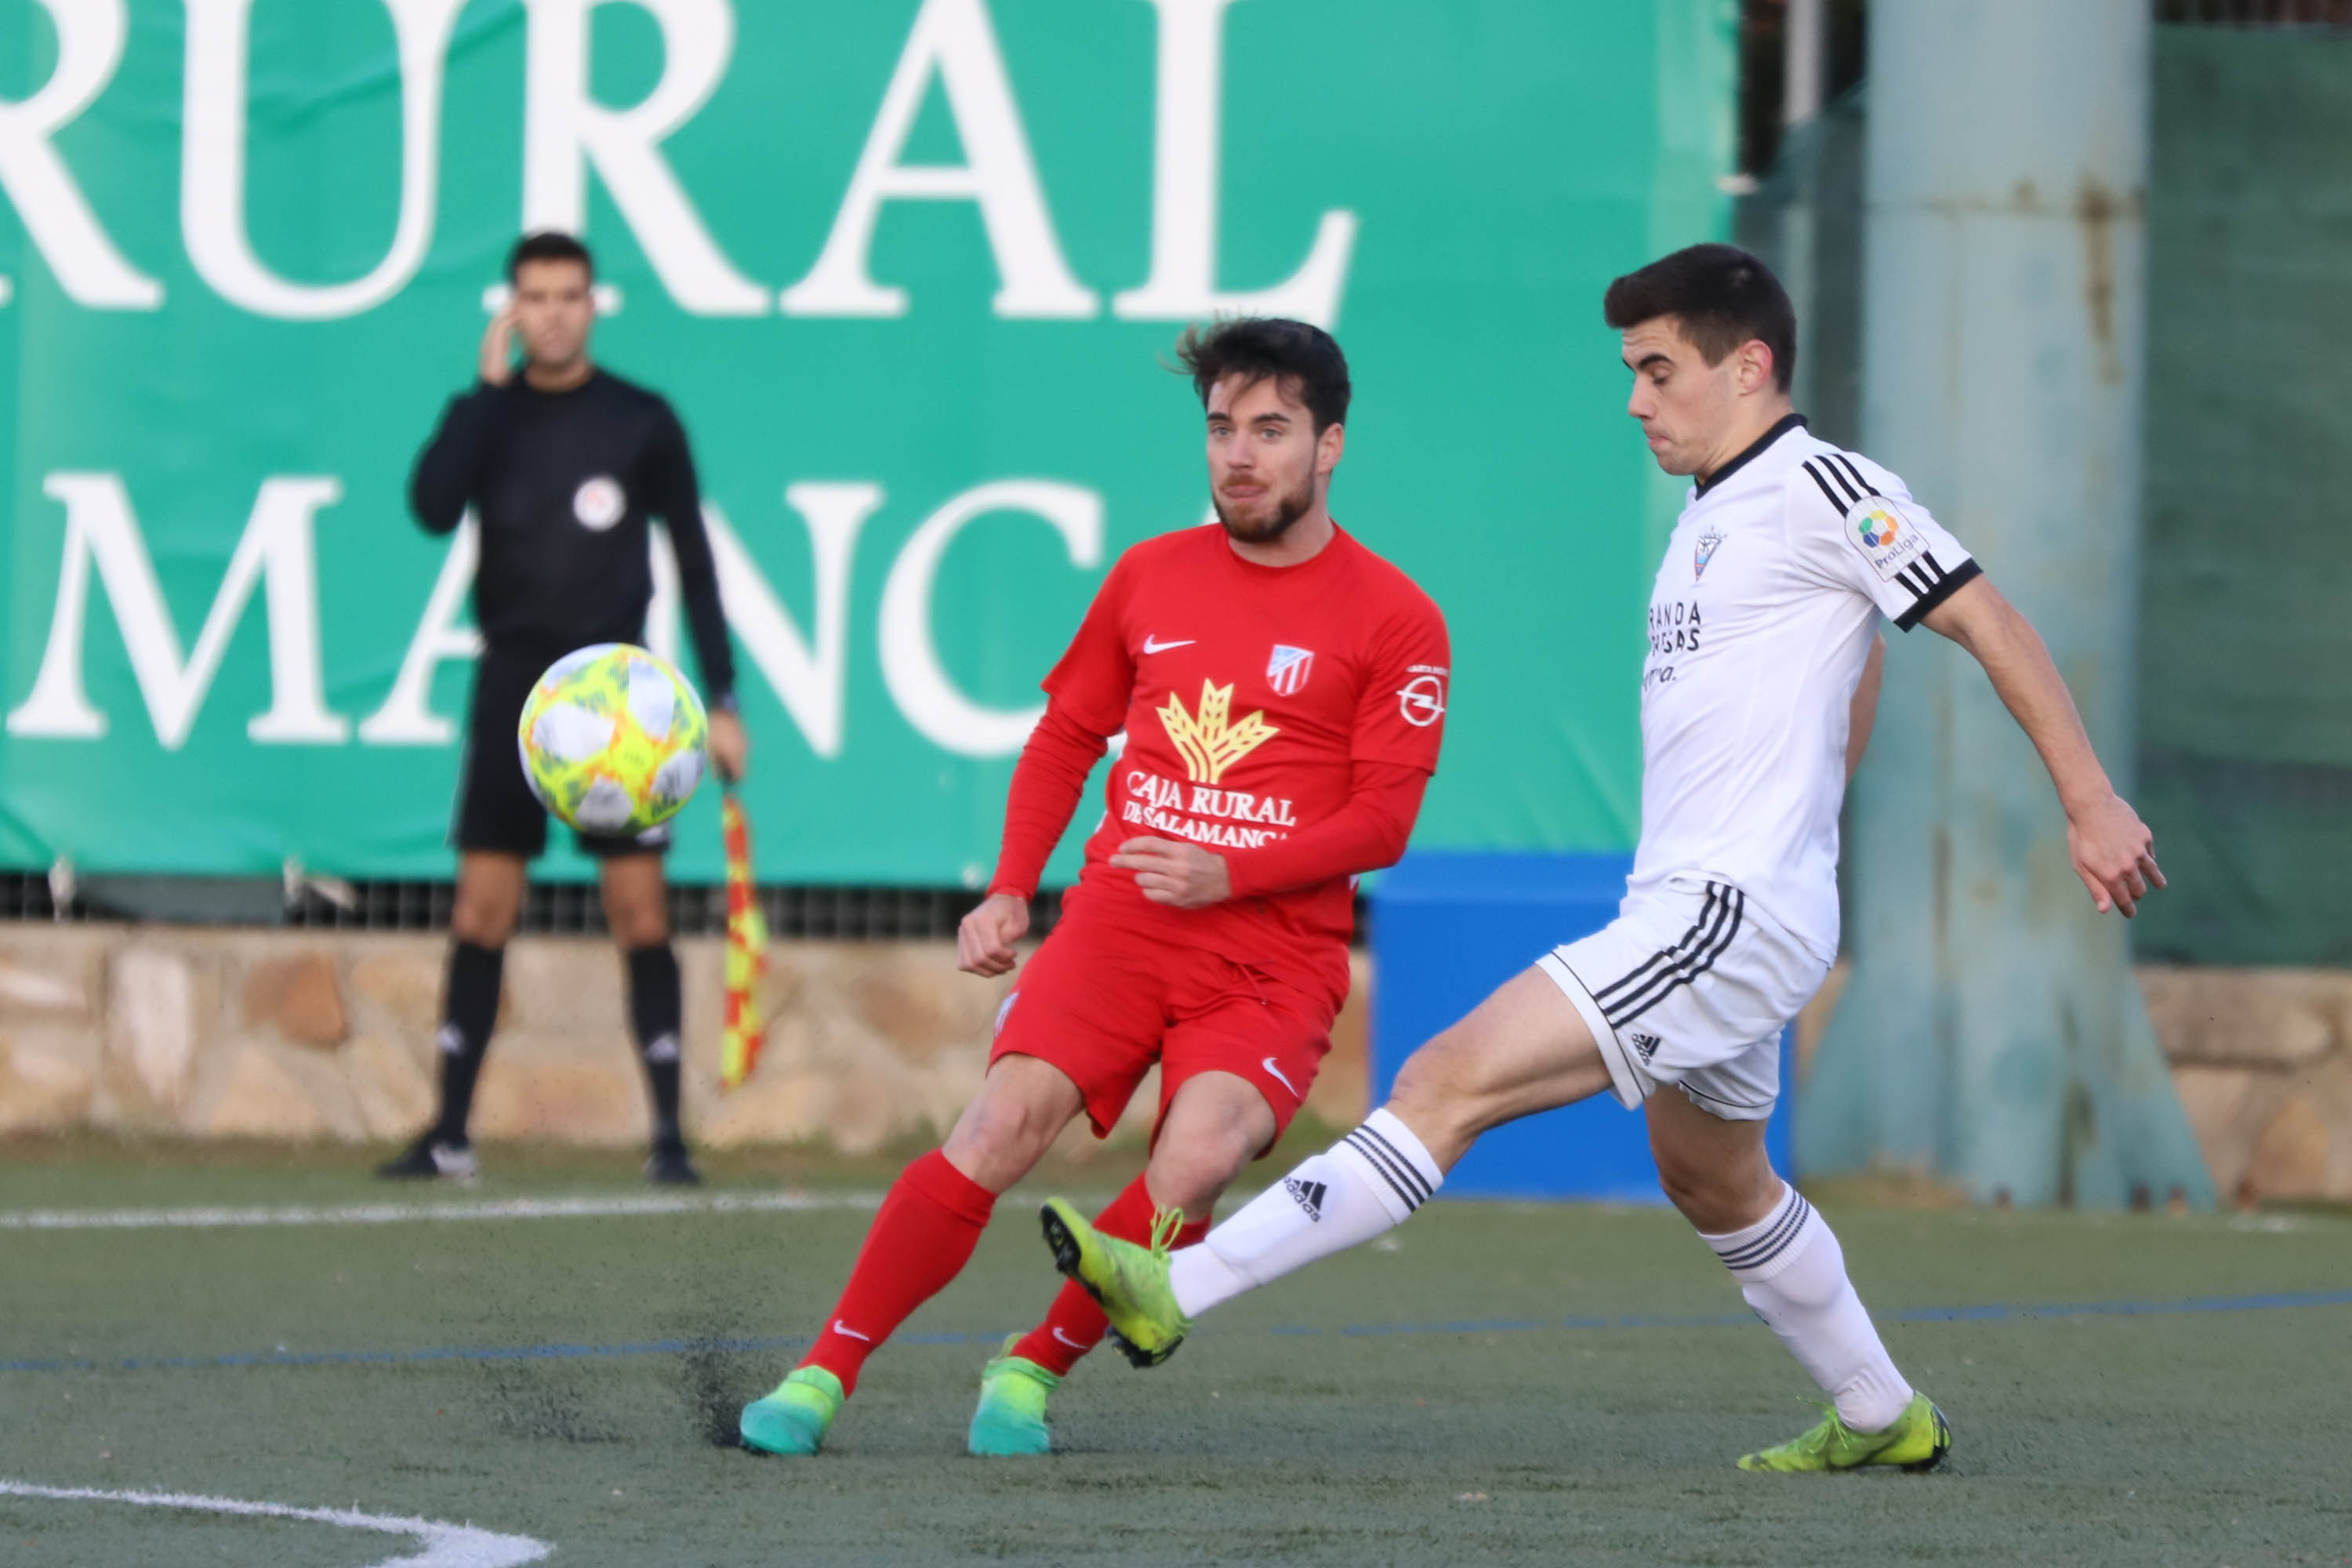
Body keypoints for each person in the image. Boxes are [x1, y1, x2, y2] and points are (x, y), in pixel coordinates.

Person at [1041, 244, 2166, 1474]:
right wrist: (1808, 820)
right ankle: (1880, 1413)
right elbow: (1863, 653)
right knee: (1713, 1180)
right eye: (1632, 372)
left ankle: (1174, 1288)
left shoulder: (1822, 482)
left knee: (1446, 1080)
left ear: (1750, 367)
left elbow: (1983, 616)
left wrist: (2090, 800)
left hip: (1725, 911)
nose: (1636, 400)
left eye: (1658, 371)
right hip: (1721, 901)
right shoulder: (1715, 510)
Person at [737, 318, 1450, 1457]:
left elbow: (1384, 824)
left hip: (1273, 958)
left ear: (1331, 445)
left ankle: (1030, 1368)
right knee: (998, 1123)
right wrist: (1009, 888)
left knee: (1201, 1155)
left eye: (1271, 430)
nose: (1239, 455)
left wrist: (1230, 870)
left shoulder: (1398, 618)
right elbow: (1068, 734)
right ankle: (823, 1372)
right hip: (1122, 922)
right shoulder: (1150, 574)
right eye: (1221, 428)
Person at [376, 232, 749, 1187]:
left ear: (592, 304)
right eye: (534, 297)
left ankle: (668, 1137)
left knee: (639, 909)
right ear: (512, 309)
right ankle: (449, 1133)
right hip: (513, 690)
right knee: (481, 906)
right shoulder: (490, 417)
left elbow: (695, 561)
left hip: (617, 704)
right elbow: (429, 505)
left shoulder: (640, 419)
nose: (552, 313)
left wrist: (722, 697)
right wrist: (481, 393)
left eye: (568, 295)